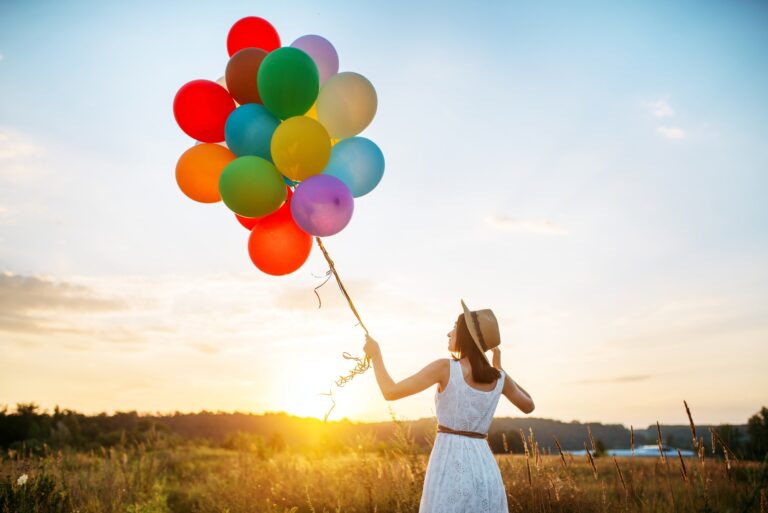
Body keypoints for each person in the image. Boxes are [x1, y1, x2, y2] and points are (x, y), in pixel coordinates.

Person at [363, 300, 535, 513]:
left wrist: (376, 355)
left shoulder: (445, 368)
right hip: (485, 468)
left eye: (454, 327)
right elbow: (528, 405)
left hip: (449, 464)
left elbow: (390, 391)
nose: (449, 333)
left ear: (465, 335)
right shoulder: (499, 377)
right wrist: (501, 369)